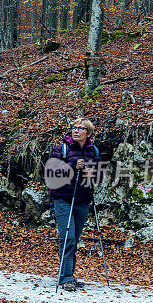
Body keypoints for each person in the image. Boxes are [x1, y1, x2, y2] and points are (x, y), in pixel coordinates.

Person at [49, 118, 100, 292]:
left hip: (83, 199)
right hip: (63, 198)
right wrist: (72, 166)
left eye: (80, 128)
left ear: (89, 133)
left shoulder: (94, 151)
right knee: (68, 237)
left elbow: (99, 176)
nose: (76, 131)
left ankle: (69, 274)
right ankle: (65, 278)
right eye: (74, 127)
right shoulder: (61, 149)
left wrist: (93, 172)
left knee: (74, 239)